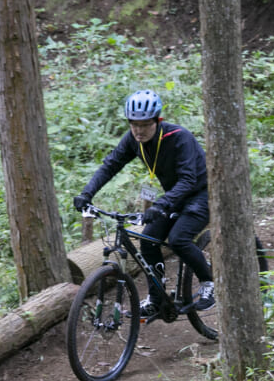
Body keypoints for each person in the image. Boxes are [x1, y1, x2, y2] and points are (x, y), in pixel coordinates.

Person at [73, 89, 213, 319]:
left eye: (145, 124)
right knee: (147, 241)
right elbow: (110, 165)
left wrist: (161, 204)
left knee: (178, 239)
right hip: (174, 197)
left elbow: (188, 179)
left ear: (157, 121)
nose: (138, 130)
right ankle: (157, 300)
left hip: (202, 194)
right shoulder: (133, 140)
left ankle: (208, 282)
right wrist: (86, 194)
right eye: (133, 124)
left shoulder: (179, 137)